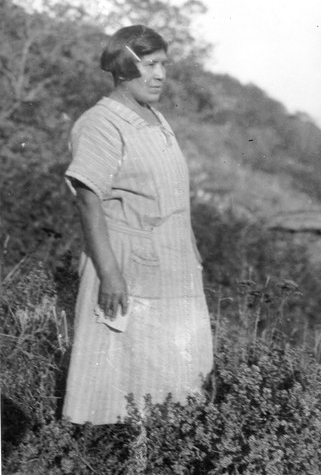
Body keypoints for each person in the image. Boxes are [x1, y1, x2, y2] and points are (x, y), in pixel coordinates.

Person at [62, 25, 213, 425]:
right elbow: (89, 203)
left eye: (163, 65)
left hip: (173, 263)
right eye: (150, 65)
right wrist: (109, 275)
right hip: (129, 266)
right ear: (123, 69)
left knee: (176, 383)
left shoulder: (155, 118)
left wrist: (191, 249)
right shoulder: (100, 124)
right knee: (126, 387)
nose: (160, 75)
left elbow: (170, 193)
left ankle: (157, 459)